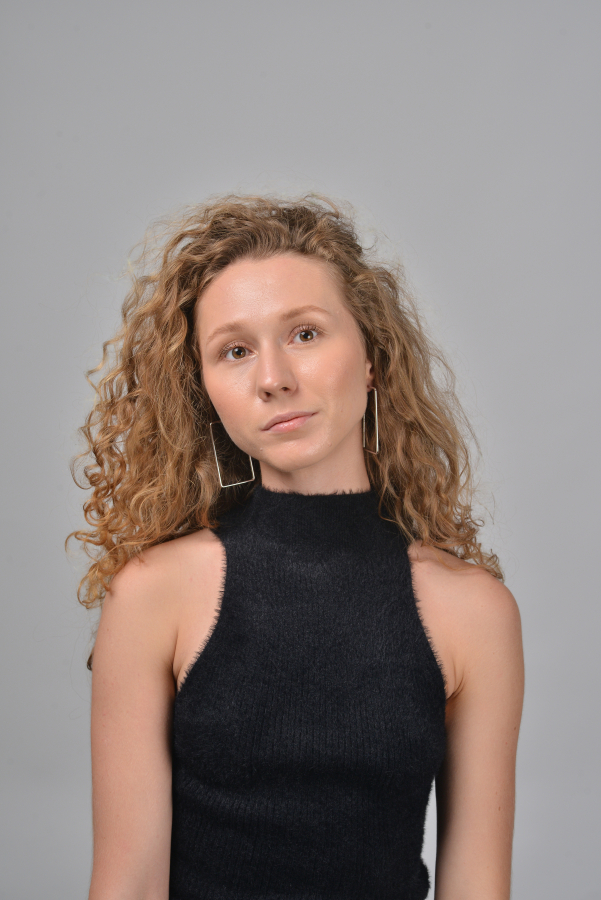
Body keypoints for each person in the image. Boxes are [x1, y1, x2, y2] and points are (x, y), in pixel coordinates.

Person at [67, 193, 525, 900]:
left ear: (371, 359)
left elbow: (476, 886)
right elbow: (127, 885)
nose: (273, 378)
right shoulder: (154, 593)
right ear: (204, 390)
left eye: (305, 334)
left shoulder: (474, 612)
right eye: (235, 351)